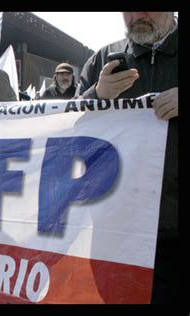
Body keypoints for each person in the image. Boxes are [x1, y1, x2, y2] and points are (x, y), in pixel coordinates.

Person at [76, 12, 178, 303]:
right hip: (117, 232)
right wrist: (95, 96)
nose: (139, 15)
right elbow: (69, 129)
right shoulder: (102, 59)